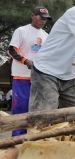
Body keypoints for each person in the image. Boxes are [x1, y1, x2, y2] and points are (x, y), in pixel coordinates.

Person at [8, 7, 50, 136]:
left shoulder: (46, 36)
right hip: (22, 77)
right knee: (21, 109)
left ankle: (31, 140)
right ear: (33, 16)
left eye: (46, 19)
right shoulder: (21, 31)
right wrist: (26, 61)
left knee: (37, 111)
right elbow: (12, 50)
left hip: (39, 78)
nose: (43, 21)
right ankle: (16, 141)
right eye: (41, 17)